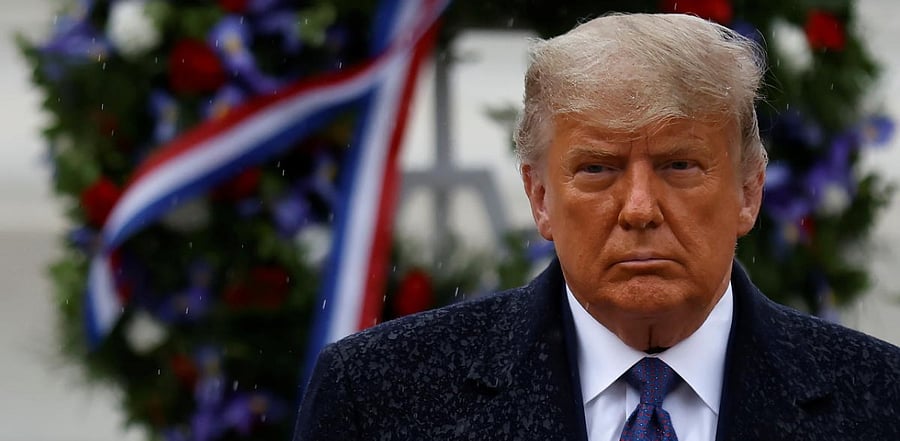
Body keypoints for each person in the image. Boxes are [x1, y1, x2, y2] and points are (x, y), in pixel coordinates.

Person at [294, 13, 900, 441]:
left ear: (749, 191)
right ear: (540, 197)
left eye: (679, 165)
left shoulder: (880, 401)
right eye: (598, 168)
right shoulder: (379, 398)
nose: (639, 208)